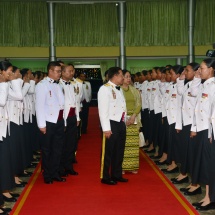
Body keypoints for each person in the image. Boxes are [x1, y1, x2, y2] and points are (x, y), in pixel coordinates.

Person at [35, 61, 66, 184]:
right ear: (50, 71)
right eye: (58, 71)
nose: (60, 74)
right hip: (48, 122)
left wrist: (63, 122)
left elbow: (61, 105)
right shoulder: (42, 85)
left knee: (58, 149)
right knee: (47, 150)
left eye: (60, 71)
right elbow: (39, 106)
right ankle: (47, 175)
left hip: (58, 121)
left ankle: (55, 172)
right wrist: (41, 125)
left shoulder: (58, 85)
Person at [98, 67, 127, 185]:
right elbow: (103, 110)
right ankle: (105, 176)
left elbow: (122, 107)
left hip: (120, 122)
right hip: (110, 123)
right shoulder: (104, 89)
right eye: (121, 75)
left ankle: (116, 174)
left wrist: (125, 120)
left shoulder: (119, 89)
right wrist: (106, 128)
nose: (123, 78)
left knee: (119, 150)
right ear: (115, 76)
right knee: (108, 152)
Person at [59, 65, 80, 177]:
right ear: (62, 72)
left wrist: (77, 118)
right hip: (64, 117)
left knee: (71, 144)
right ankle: (61, 168)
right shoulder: (58, 85)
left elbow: (76, 102)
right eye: (70, 71)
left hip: (72, 117)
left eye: (73, 71)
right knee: (63, 144)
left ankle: (69, 167)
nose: (72, 73)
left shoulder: (72, 85)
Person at [121, 70, 141, 174]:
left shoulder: (134, 90)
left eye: (129, 77)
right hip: (122, 119)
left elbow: (138, 104)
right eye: (126, 77)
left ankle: (133, 166)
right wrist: (125, 118)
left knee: (133, 144)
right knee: (123, 144)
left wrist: (133, 116)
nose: (129, 79)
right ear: (121, 78)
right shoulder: (118, 90)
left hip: (133, 119)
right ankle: (122, 166)